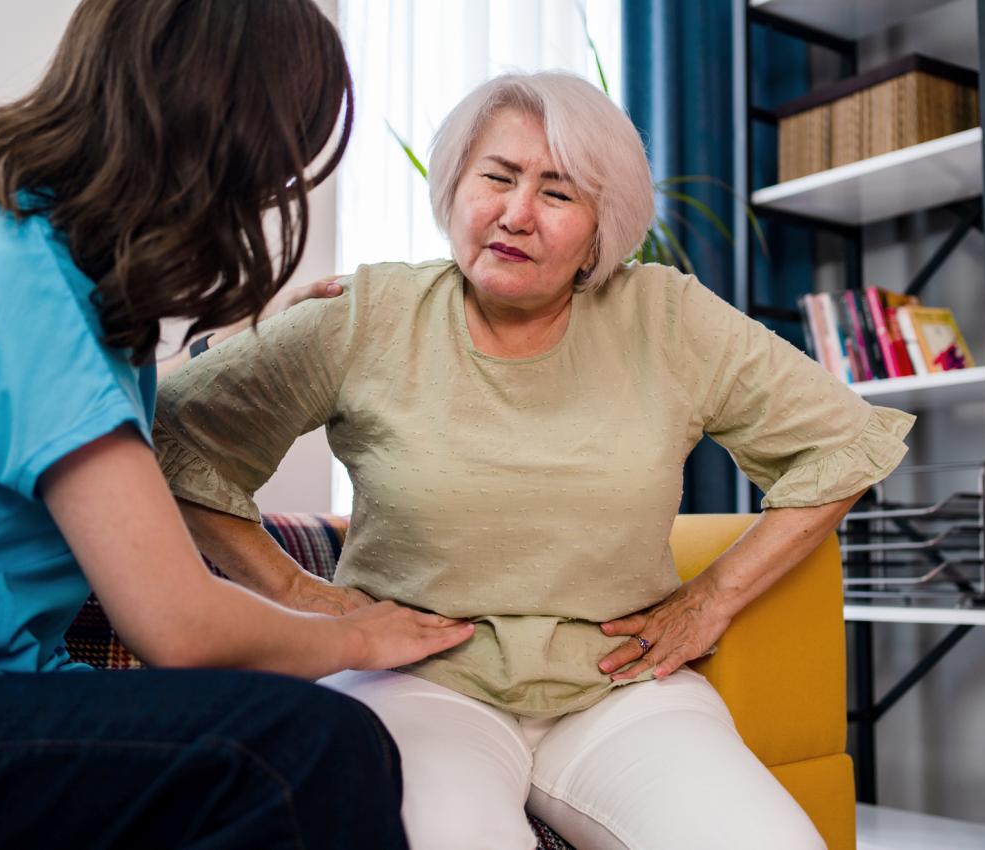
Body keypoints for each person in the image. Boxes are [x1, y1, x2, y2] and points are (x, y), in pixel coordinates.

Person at [154, 71, 915, 849]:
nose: (516, 214)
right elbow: (171, 435)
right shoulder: (367, 316)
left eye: (557, 192)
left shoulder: (667, 317)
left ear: (601, 228)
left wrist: (714, 597)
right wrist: (298, 593)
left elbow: (842, 441)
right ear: (455, 187)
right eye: (497, 177)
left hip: (621, 688)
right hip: (415, 681)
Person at [0, 2, 474, 849]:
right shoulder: (14, 275)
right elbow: (178, 624)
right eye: (279, 161)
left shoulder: (29, 257)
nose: (273, 192)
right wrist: (354, 636)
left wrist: (247, 342)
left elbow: (77, 410)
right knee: (308, 749)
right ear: (216, 130)